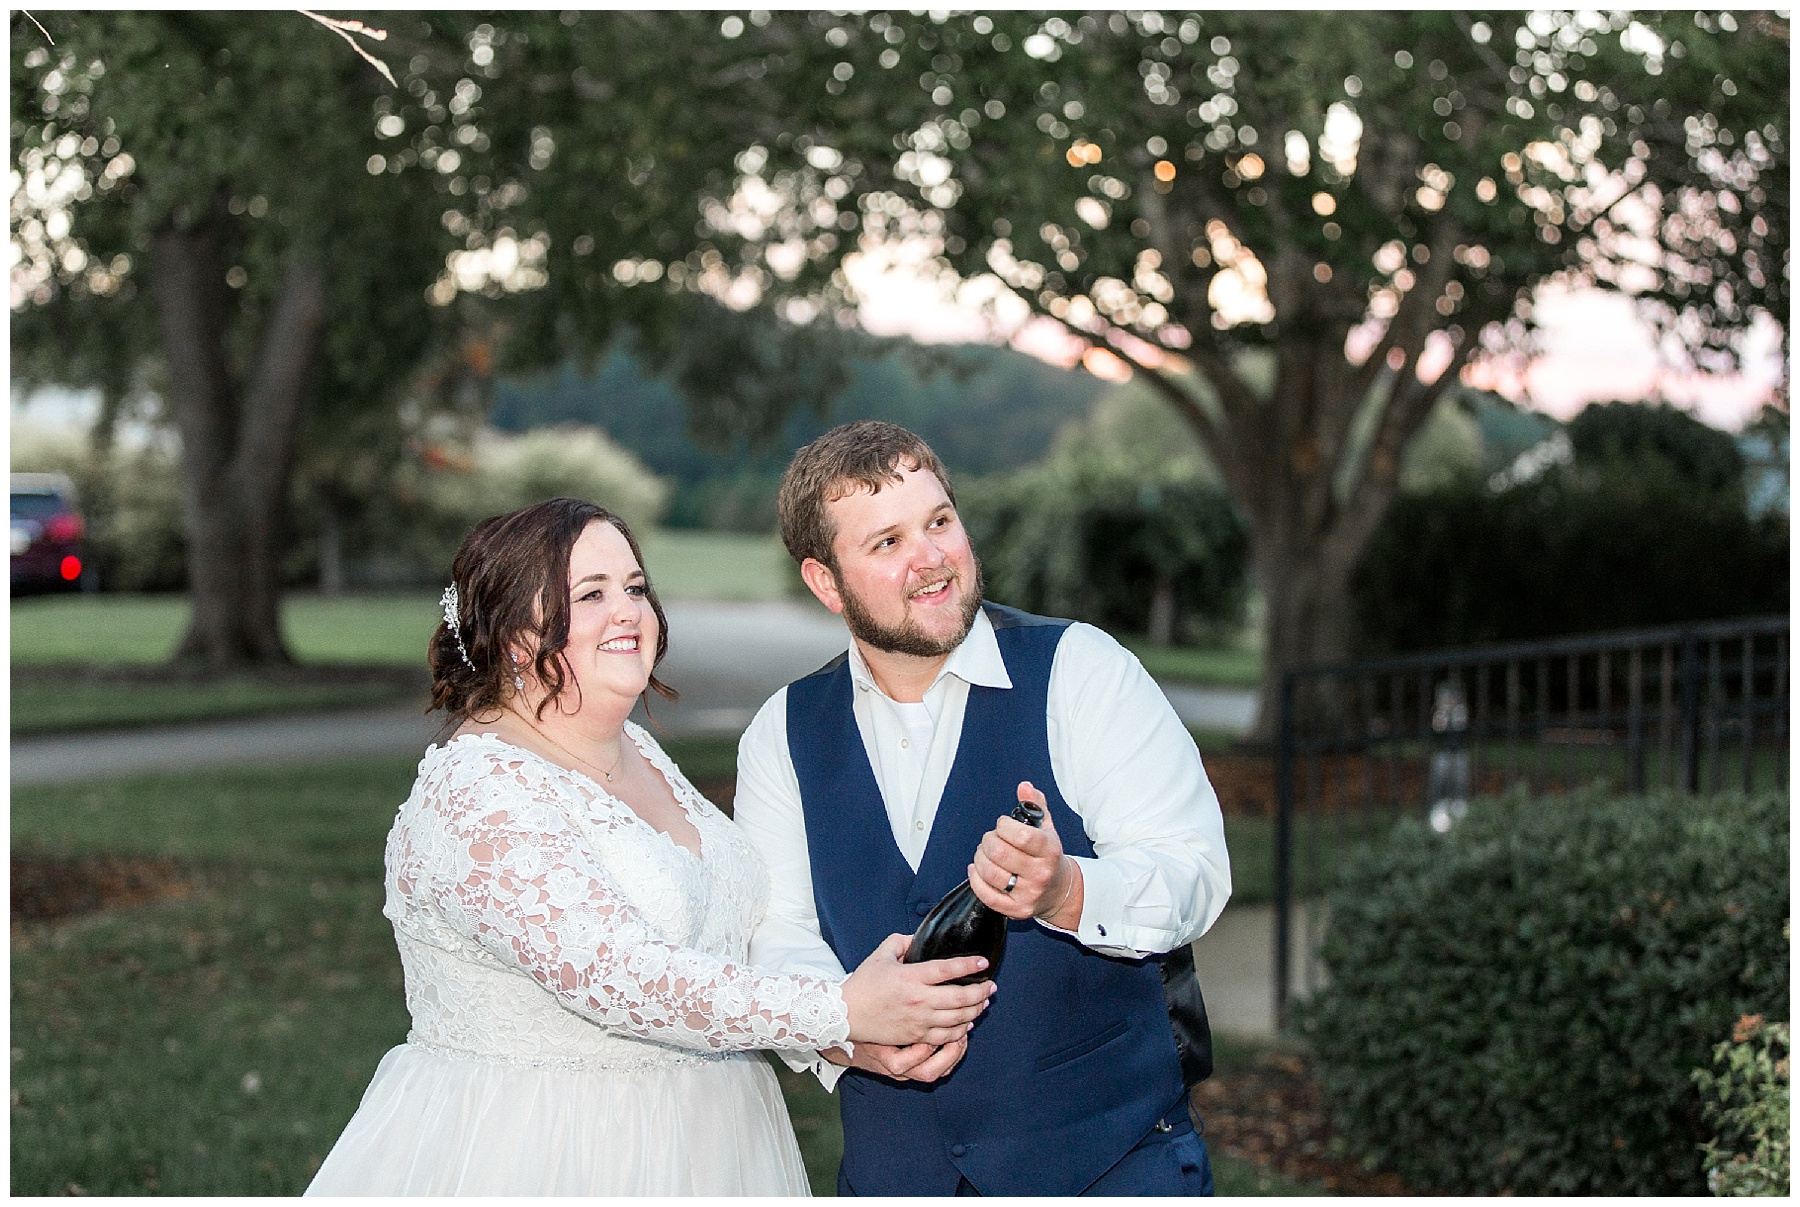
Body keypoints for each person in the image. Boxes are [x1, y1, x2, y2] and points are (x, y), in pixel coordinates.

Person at [306, 497, 994, 1196]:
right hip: (550, 1150)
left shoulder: (634, 748)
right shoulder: (477, 789)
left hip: (711, 1141)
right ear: (517, 634)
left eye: (635, 587)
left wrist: (844, 1033)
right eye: (591, 594)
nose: (628, 610)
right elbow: (621, 974)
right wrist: (842, 1008)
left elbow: (727, 926)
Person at [732, 422, 1233, 1197]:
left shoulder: (1081, 670)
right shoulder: (782, 733)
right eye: (888, 541)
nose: (931, 558)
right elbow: (773, 935)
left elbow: (1195, 870)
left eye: (939, 521)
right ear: (826, 582)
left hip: (1113, 1163)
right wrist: (844, 1032)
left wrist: (1068, 890)